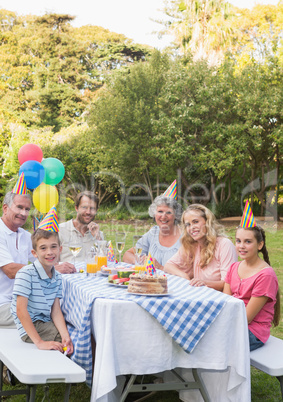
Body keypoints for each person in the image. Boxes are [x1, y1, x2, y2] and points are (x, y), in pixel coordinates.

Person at [11, 228, 73, 353]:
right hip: (31, 326)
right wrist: (40, 343)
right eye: (43, 248)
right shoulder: (26, 273)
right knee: (74, 338)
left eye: (53, 247)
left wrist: (65, 334)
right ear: (34, 253)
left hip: (45, 321)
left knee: (70, 334)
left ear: (60, 249)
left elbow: (55, 310)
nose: (49, 252)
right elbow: (20, 310)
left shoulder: (57, 276)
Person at [224, 225, 280, 351]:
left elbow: (246, 318)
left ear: (260, 245)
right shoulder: (234, 267)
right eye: (238, 241)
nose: (241, 246)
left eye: (248, 241)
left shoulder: (265, 275)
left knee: (210, 341)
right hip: (232, 322)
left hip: (252, 331)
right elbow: (226, 302)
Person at [164, 204, 238, 291]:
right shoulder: (192, 245)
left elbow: (228, 284)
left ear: (207, 222)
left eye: (195, 222)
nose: (192, 227)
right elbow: (168, 266)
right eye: (188, 224)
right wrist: (185, 276)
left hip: (218, 298)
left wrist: (205, 283)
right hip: (199, 296)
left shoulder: (224, 244)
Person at [0, 191, 35, 328]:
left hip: (18, 301)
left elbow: (44, 260)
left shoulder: (25, 235)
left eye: (27, 209)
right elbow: (10, 270)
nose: (24, 213)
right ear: (5, 208)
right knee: (47, 318)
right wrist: (48, 268)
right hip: (2, 305)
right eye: (19, 207)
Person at [123, 195, 183, 269]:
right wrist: (139, 260)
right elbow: (127, 254)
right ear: (154, 214)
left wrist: (160, 267)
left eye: (169, 212)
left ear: (176, 215)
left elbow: (191, 272)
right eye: (160, 211)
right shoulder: (153, 232)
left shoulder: (185, 238)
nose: (163, 216)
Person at [59, 191, 104, 264]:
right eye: (84, 207)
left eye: (92, 208)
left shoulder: (98, 234)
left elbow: (104, 263)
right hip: (67, 275)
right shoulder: (60, 230)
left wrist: (97, 237)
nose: (88, 212)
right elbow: (50, 263)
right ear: (76, 208)